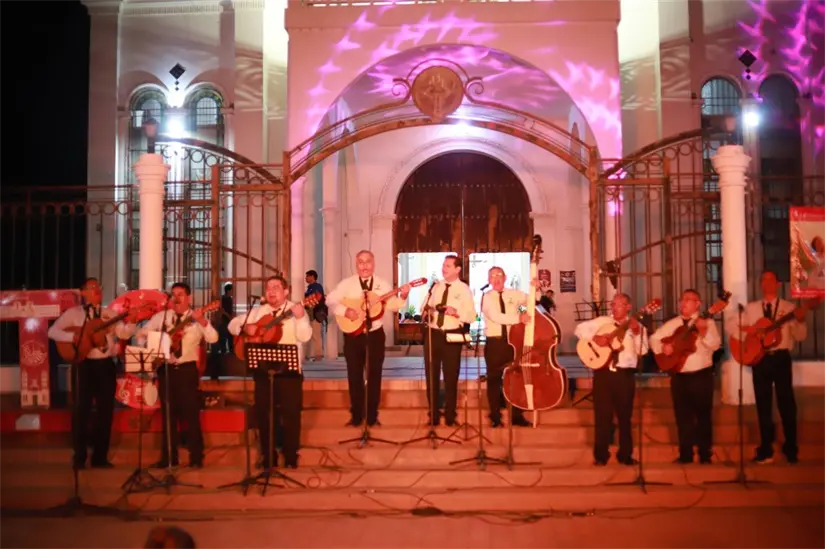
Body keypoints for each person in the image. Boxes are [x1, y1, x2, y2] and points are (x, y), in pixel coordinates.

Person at [48, 277, 137, 469]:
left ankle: (100, 457)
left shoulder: (109, 314)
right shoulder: (73, 314)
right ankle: (79, 456)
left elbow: (123, 333)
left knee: (105, 412)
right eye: (92, 287)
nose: (97, 290)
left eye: (99, 286)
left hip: (105, 366)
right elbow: (52, 332)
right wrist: (75, 336)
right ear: (83, 292)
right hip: (83, 365)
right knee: (81, 410)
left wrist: (132, 324)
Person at [228, 275, 312, 469]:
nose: (271, 291)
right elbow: (232, 325)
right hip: (263, 372)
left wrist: (300, 318)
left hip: (289, 373)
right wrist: (245, 327)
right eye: (268, 288)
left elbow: (305, 336)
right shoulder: (258, 312)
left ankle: (291, 455)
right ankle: (268, 455)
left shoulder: (296, 309)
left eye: (276, 287)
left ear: (286, 291)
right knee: (264, 414)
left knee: (291, 414)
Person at [728, 271, 807, 464]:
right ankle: (766, 448)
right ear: (760, 284)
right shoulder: (752, 308)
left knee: (786, 402)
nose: (768, 283)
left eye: (772, 279)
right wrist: (753, 331)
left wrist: (800, 320)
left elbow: (801, 336)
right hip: (760, 359)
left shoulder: (789, 308)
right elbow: (732, 327)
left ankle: (790, 447)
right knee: (763, 404)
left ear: (779, 284)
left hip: (780, 358)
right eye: (764, 280)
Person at [138, 282, 219, 468]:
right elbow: (141, 334)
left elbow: (213, 338)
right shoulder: (162, 317)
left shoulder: (197, 317)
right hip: (166, 371)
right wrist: (153, 342)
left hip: (186, 371)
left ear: (188, 298)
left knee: (191, 414)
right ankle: (168, 458)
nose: (176, 298)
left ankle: (196, 458)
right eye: (173, 294)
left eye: (180, 294)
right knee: (168, 415)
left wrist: (202, 321)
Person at [327, 250, 411, 427]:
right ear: (356, 265)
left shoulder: (382, 284)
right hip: (353, 336)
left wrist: (403, 295)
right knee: (354, 375)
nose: (364, 265)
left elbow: (394, 306)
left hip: (374, 335)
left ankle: (372, 416)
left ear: (373, 264)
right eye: (360, 262)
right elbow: (330, 300)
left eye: (368, 262)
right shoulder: (346, 284)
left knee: (374, 375)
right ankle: (356, 415)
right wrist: (345, 311)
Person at [574, 293, 646, 465]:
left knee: (624, 416)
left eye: (619, 304)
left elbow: (642, 351)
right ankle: (600, 455)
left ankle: (625, 454)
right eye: (613, 304)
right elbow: (579, 330)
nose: (614, 307)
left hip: (624, 375)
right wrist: (594, 338)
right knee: (602, 415)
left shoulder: (638, 327)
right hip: (604, 373)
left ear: (628, 307)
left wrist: (636, 333)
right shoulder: (602, 322)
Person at [650, 289, 721, 464]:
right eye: (682, 299)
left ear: (698, 304)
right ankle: (685, 454)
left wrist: (703, 332)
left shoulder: (707, 322)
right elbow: (654, 338)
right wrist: (662, 348)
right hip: (679, 376)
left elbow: (715, 344)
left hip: (701, 376)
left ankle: (705, 454)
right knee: (682, 417)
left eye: (688, 299)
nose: (683, 303)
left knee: (703, 416)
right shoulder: (673, 323)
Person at [421, 255, 476, 426]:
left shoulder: (464, 289)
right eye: (443, 265)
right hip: (433, 333)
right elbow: (424, 306)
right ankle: (434, 415)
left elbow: (472, 316)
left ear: (457, 269)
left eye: (448, 266)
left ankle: (451, 416)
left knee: (451, 376)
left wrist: (456, 312)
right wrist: (427, 311)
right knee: (432, 375)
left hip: (452, 335)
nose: (444, 268)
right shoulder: (436, 286)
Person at [481, 266, 532, 428]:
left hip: (513, 342)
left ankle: (517, 415)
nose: (496, 279)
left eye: (499, 275)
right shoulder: (487, 297)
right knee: (494, 379)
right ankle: (495, 416)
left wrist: (535, 288)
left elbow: (529, 302)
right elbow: (496, 317)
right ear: (489, 280)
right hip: (495, 343)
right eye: (492, 276)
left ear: (505, 277)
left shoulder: (514, 294)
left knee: (516, 379)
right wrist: (519, 318)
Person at [305, 269, 326, 360]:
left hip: (315, 314)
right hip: (310, 314)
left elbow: (317, 299)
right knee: (310, 335)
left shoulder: (317, 287)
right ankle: (308, 355)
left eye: (307, 276)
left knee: (316, 335)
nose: (306, 278)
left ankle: (318, 355)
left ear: (312, 277)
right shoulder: (310, 287)